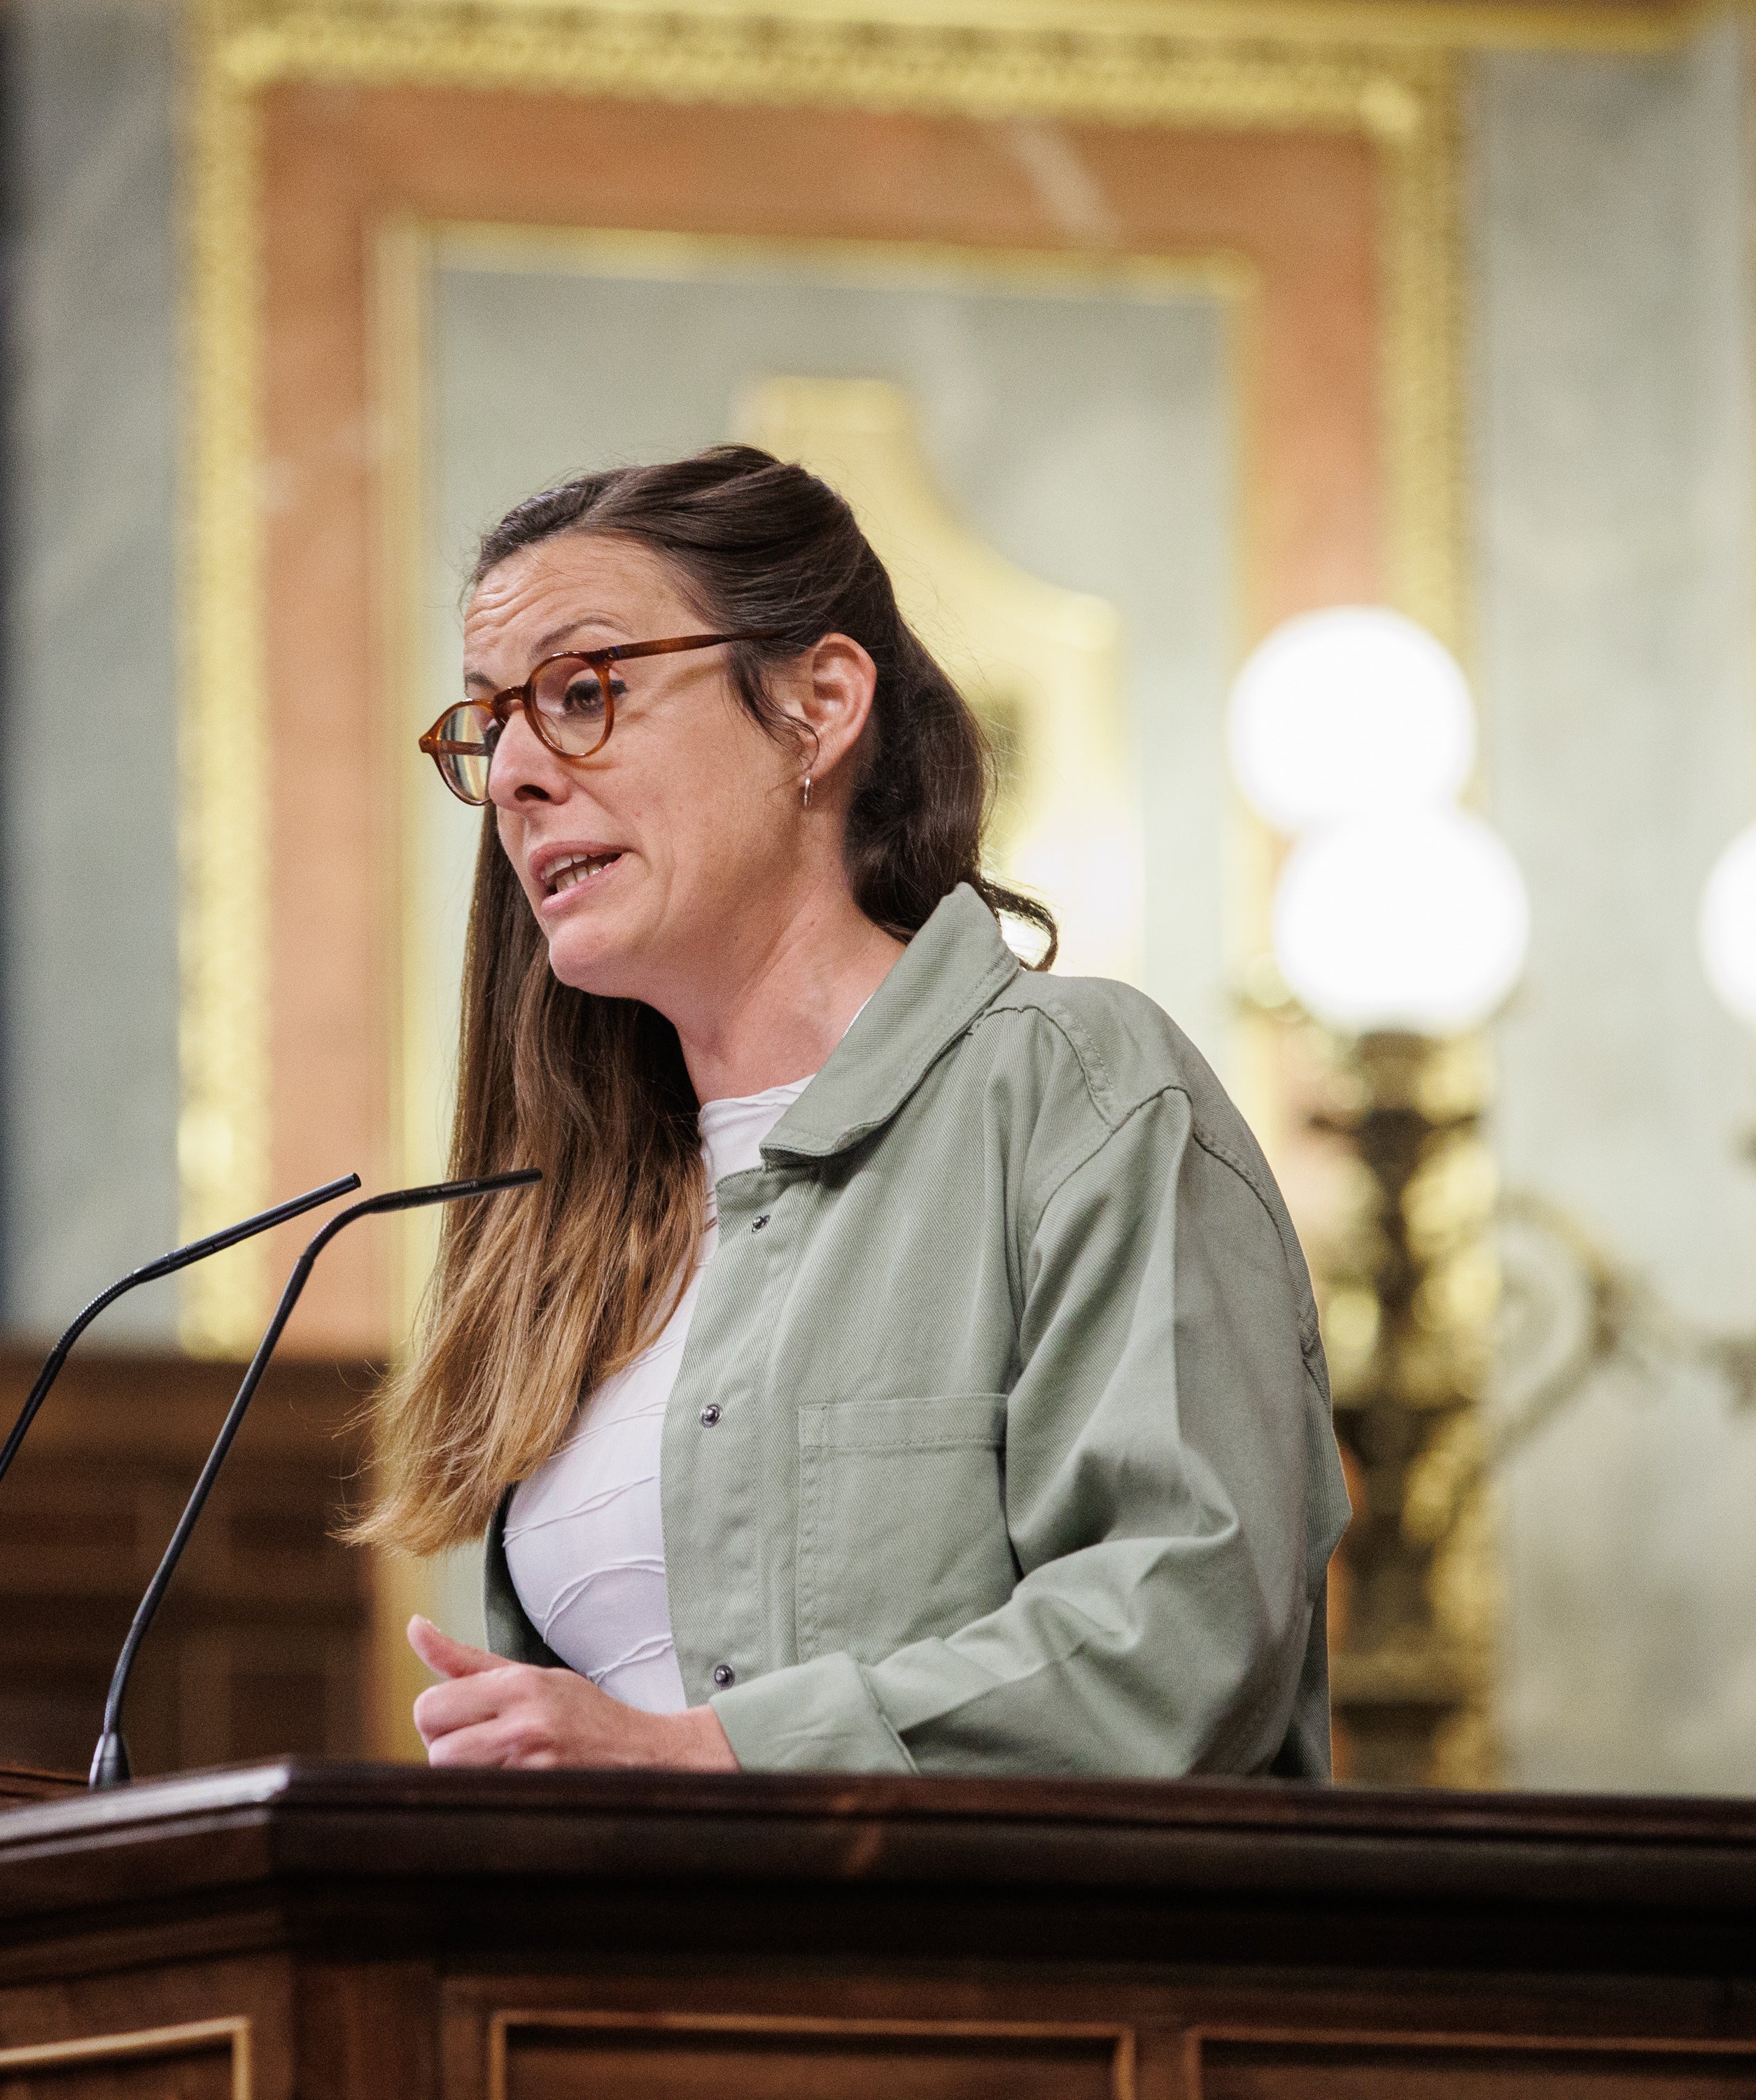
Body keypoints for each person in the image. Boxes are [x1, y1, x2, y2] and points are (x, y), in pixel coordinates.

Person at [366, 444, 1348, 1778]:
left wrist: (717, 1758)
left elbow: (1176, 1632)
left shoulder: (1082, 1092)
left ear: (817, 709)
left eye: (583, 693)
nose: (518, 776)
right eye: (492, 726)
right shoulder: (569, 1236)